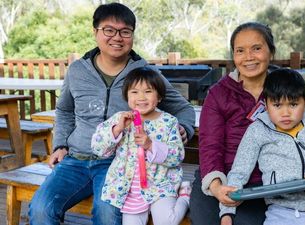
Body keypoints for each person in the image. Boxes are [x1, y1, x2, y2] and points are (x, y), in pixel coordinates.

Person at [28, 3, 195, 225]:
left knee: (108, 216)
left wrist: (185, 127)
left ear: (132, 35)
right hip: (75, 159)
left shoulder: (144, 73)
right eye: (109, 30)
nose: (117, 37)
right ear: (95, 31)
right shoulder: (78, 70)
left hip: (118, 164)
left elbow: (182, 107)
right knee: (41, 209)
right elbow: (65, 110)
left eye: (125, 31)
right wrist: (60, 144)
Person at [190, 22, 305, 225]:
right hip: (221, 177)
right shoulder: (218, 94)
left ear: (271, 51)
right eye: (240, 51)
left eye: (256, 48)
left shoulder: (286, 85)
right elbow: (210, 146)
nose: (248, 57)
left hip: (270, 183)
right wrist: (216, 187)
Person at [220, 68, 305, 225]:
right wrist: (227, 214)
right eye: (277, 105)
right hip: (280, 212)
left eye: (293, 104)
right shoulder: (257, 131)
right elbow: (239, 172)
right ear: (266, 104)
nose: (285, 113)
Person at [91, 67, 191, 225]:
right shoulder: (120, 119)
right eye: (134, 92)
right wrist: (117, 129)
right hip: (131, 189)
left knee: (167, 221)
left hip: (161, 186)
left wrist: (151, 145)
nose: (141, 97)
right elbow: (98, 149)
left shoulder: (169, 122)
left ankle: (185, 196)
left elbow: (177, 156)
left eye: (148, 91)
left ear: (159, 97)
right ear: (127, 96)